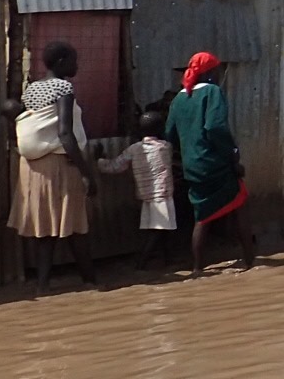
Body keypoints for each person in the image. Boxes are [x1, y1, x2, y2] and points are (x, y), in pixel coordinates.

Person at [8, 40, 97, 291]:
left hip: (33, 168)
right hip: (59, 164)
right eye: (73, 60)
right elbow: (65, 133)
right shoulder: (63, 88)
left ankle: (42, 287)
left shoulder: (32, 89)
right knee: (76, 225)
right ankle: (91, 282)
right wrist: (86, 172)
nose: (76, 65)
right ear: (61, 63)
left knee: (45, 230)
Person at [165, 51, 257, 277]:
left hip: (192, 166)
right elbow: (215, 128)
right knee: (239, 204)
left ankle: (197, 268)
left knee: (202, 216)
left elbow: (170, 134)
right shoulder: (213, 92)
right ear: (210, 72)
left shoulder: (179, 99)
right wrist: (233, 155)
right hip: (215, 163)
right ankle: (250, 262)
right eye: (216, 69)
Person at [96, 104, 181, 267]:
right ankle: (141, 262)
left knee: (163, 229)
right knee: (158, 230)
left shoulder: (133, 149)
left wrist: (100, 159)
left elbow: (115, 166)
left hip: (145, 195)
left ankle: (168, 260)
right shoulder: (165, 147)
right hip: (162, 195)